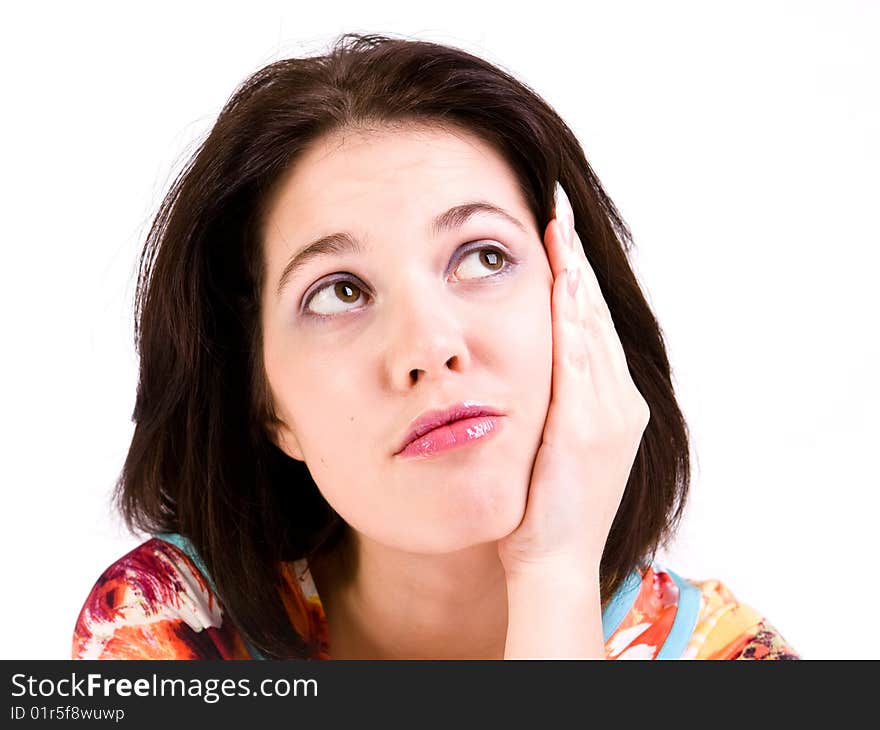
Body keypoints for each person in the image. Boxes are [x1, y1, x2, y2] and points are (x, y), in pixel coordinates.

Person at [72, 33, 798, 660]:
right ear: (268, 404)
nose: (430, 346)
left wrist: (554, 574)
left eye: (483, 257)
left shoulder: (731, 660)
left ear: (584, 304)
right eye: (338, 292)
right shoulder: (169, 625)